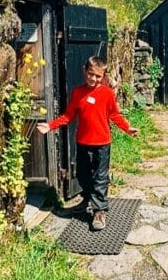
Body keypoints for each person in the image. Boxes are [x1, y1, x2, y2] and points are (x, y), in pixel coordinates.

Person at [37, 56, 138, 230]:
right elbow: (68, 116)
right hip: (83, 142)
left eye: (98, 76)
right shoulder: (77, 92)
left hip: (102, 143)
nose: (93, 79)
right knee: (83, 174)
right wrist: (50, 126)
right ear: (85, 71)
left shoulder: (107, 93)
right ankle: (86, 201)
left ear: (103, 76)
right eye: (91, 74)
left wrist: (127, 129)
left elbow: (115, 115)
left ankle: (99, 210)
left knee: (100, 177)